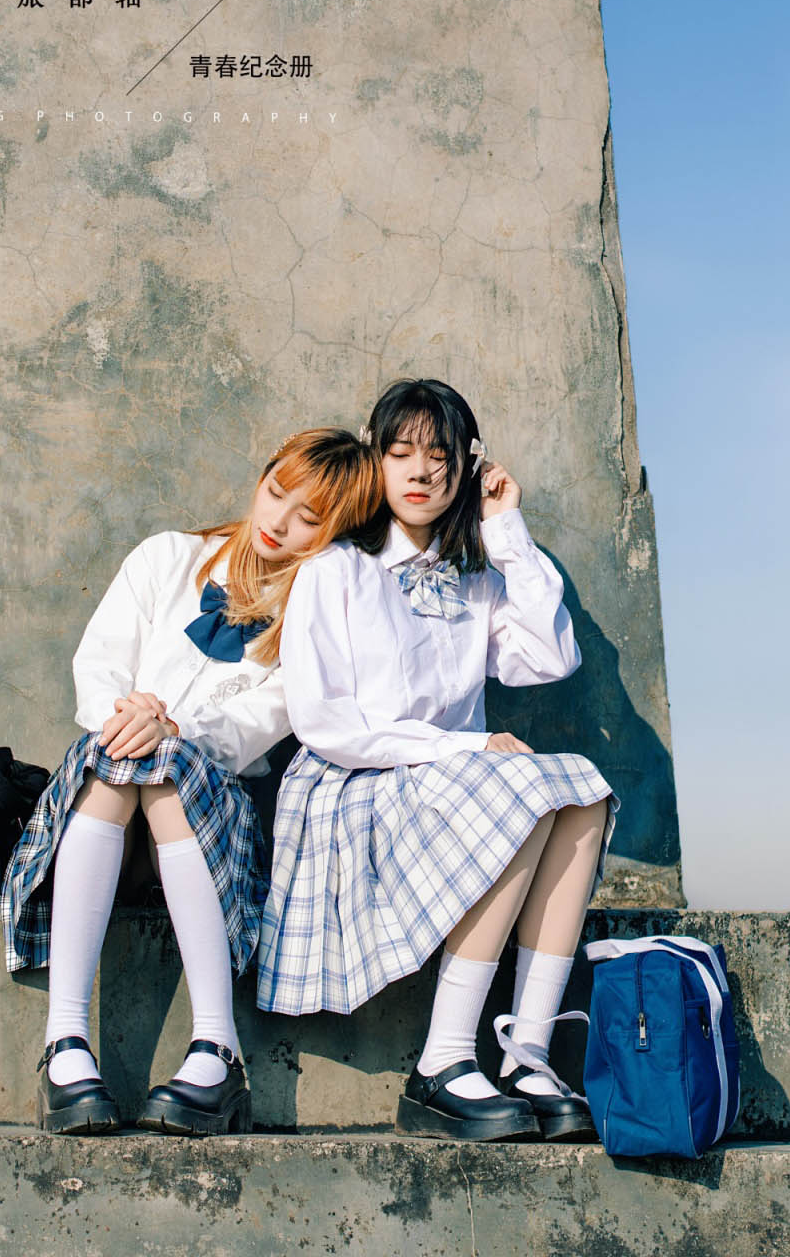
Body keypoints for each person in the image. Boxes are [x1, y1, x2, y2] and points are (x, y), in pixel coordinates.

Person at [258, 379, 619, 1143]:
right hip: (352, 784)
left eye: (440, 455)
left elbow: (550, 657)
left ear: (466, 466)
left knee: (584, 793)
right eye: (401, 453)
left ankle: (526, 1054)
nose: (421, 471)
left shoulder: (475, 575)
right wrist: (461, 746)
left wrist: (506, 528)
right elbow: (325, 723)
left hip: (456, 783)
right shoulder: (337, 569)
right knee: (517, 789)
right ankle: (442, 1062)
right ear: (376, 461)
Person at [2, 428, 379, 1137]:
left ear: (336, 534)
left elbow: (258, 724)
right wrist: (132, 717)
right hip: (107, 811)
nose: (278, 522)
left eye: (308, 518)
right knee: (120, 762)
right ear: (261, 477)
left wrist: (173, 730)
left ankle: (216, 1048)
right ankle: (66, 1043)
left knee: (166, 768)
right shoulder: (167, 557)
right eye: (276, 492)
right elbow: (98, 666)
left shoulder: (313, 617)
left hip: (205, 828)